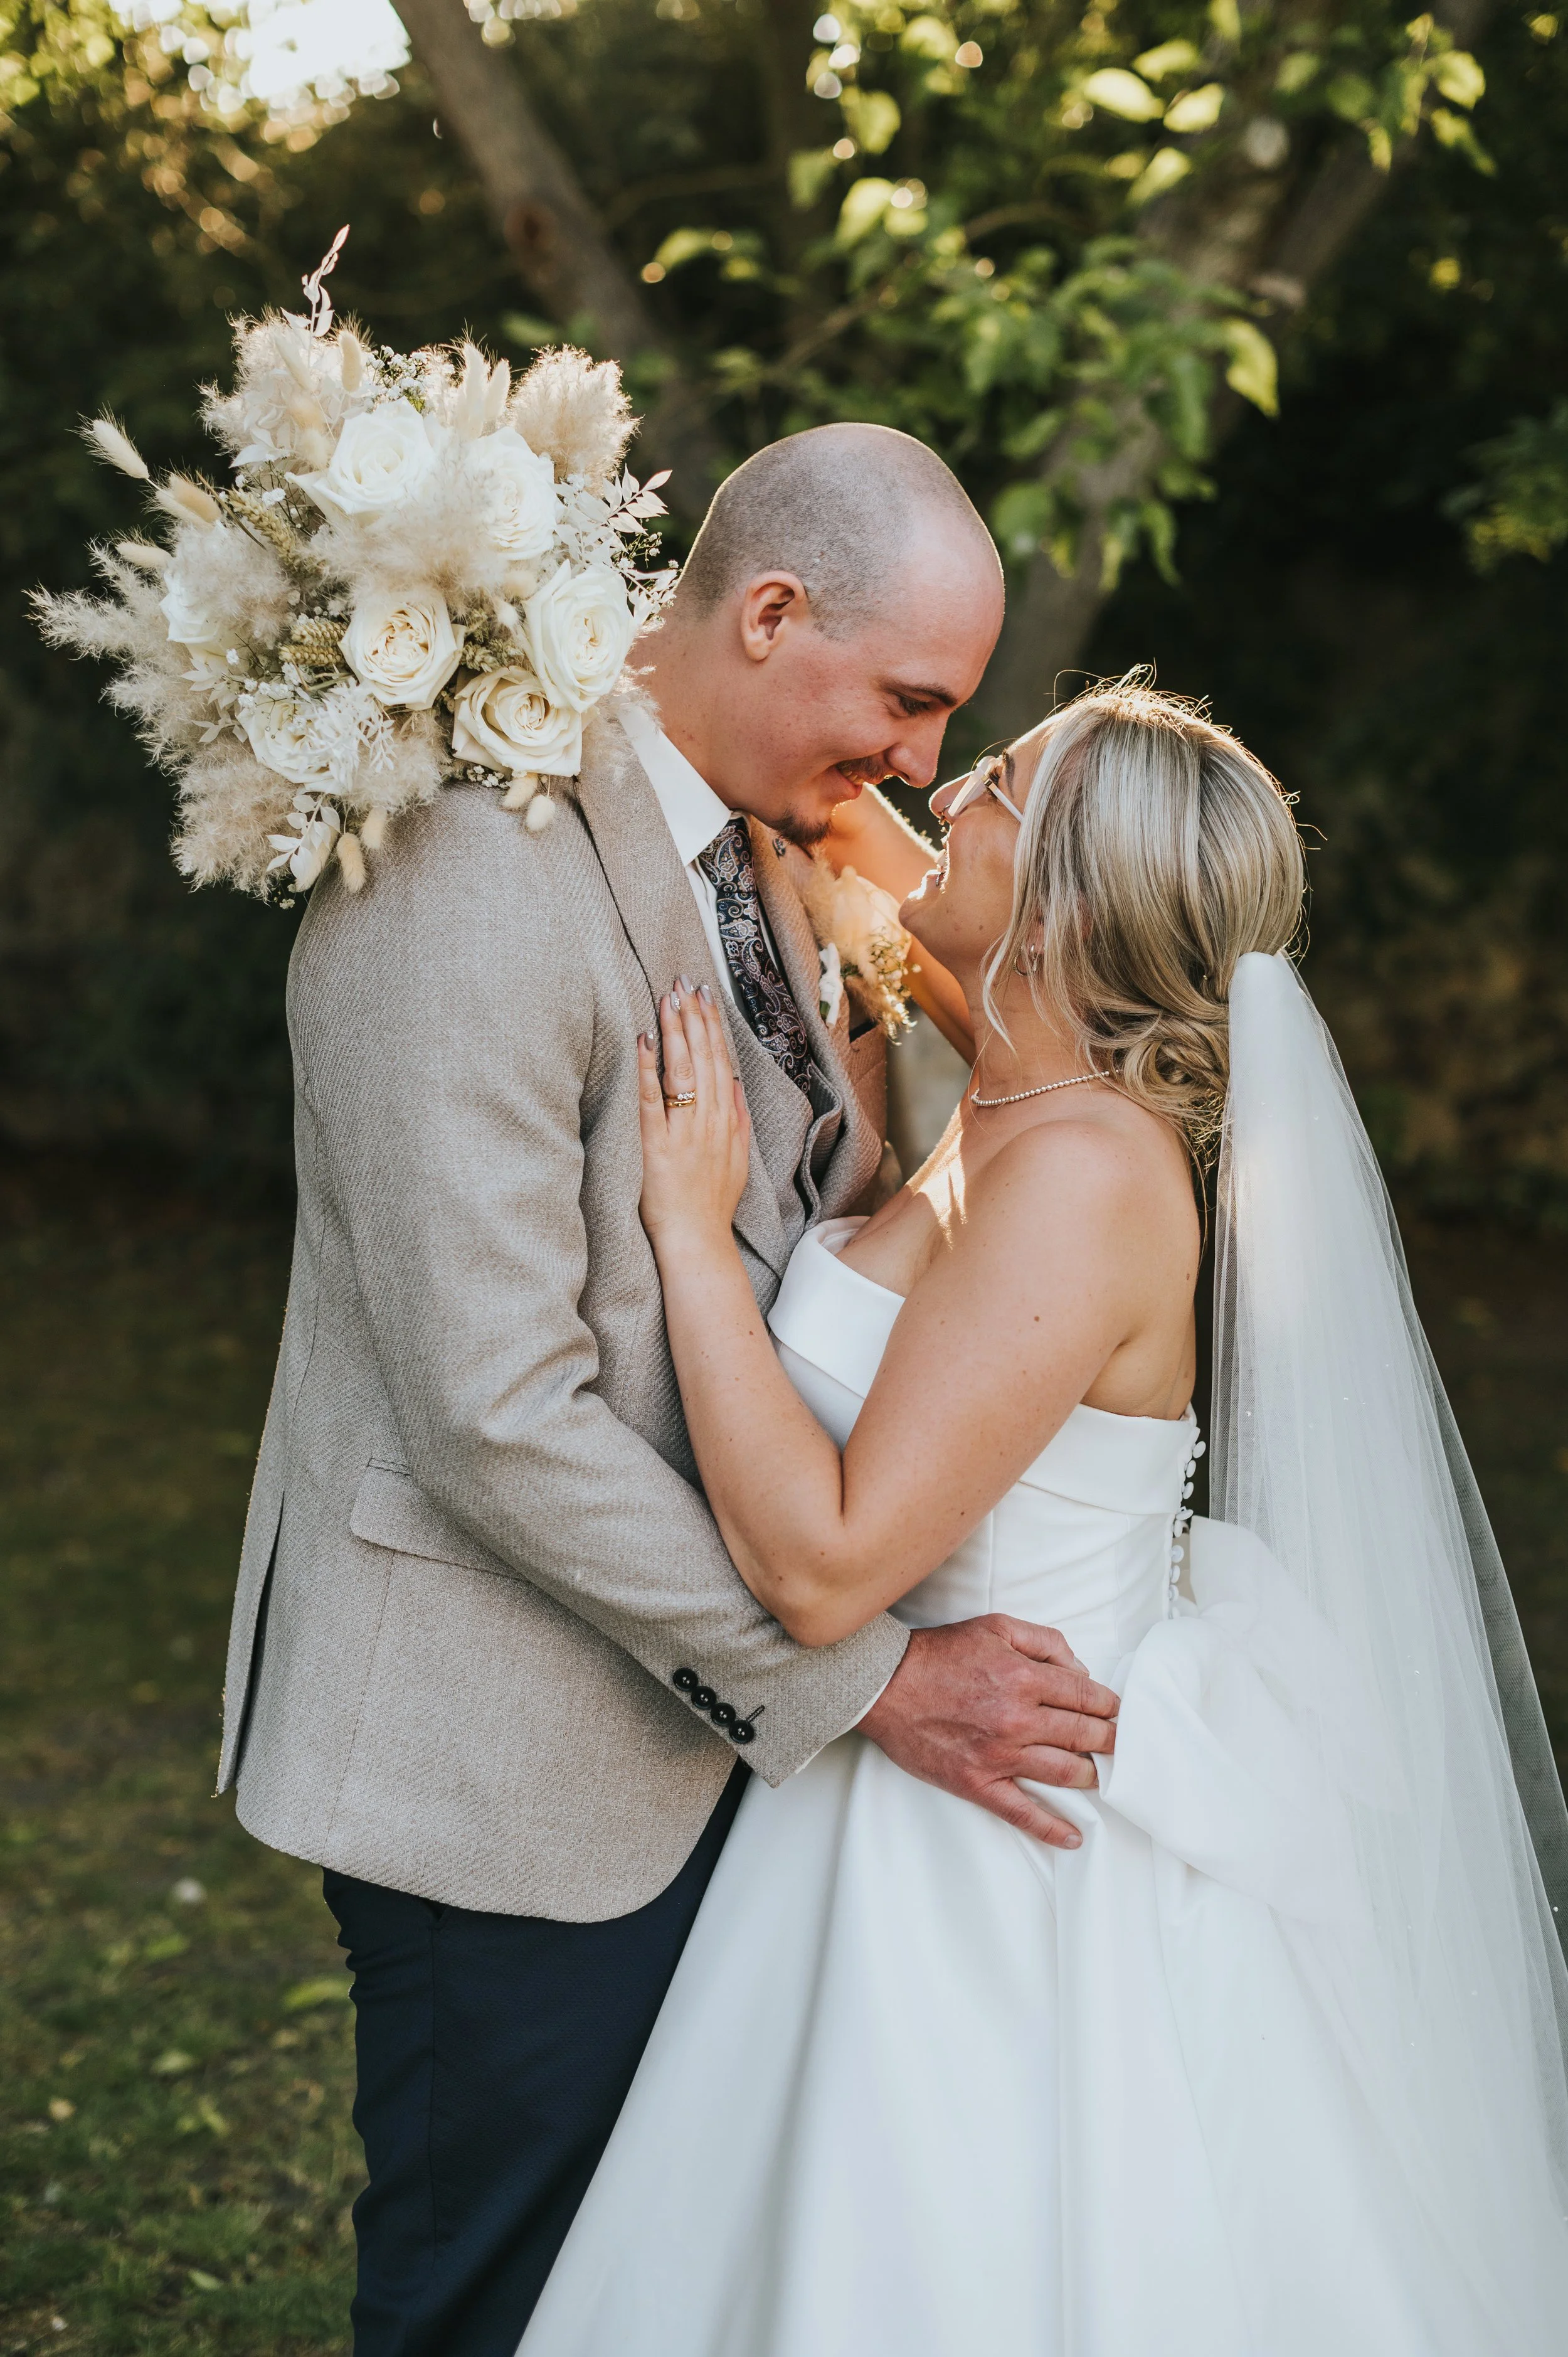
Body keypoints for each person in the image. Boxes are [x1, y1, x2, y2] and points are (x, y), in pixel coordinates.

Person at [521, 677, 1568, 2355]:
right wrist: (625, 658)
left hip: (1000, 1846)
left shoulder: (1080, 1172)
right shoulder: (1011, 1068)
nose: (940, 799)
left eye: (992, 783)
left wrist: (686, 1225)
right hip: (878, 1787)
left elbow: (824, 1562)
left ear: (1069, 896)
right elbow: (851, 822)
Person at [215, 423, 1122, 2356]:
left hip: (687, 1739)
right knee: (496, 2303)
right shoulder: (466, 876)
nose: (912, 762)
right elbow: (497, 1407)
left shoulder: (759, 845)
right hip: (500, 1767)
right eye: (907, 702)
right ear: (771, 611)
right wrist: (865, 1674)